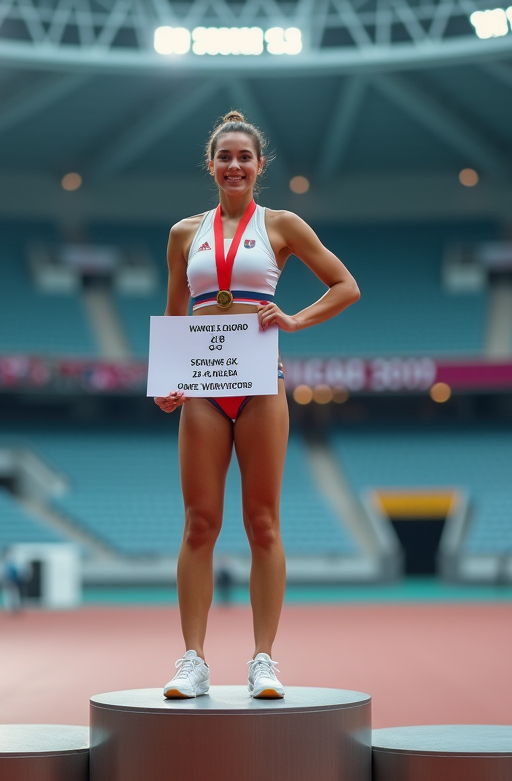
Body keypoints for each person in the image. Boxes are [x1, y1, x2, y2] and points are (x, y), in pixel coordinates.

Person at [155, 111, 359, 699]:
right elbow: (175, 312)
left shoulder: (282, 225)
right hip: (202, 390)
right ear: (211, 165)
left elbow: (345, 285)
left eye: (245, 157)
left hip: (260, 385)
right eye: (225, 157)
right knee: (199, 525)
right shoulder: (183, 234)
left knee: (263, 524)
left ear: (260, 165)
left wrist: (295, 319)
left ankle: (263, 659)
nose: (235, 165)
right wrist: (168, 378)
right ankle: (192, 660)